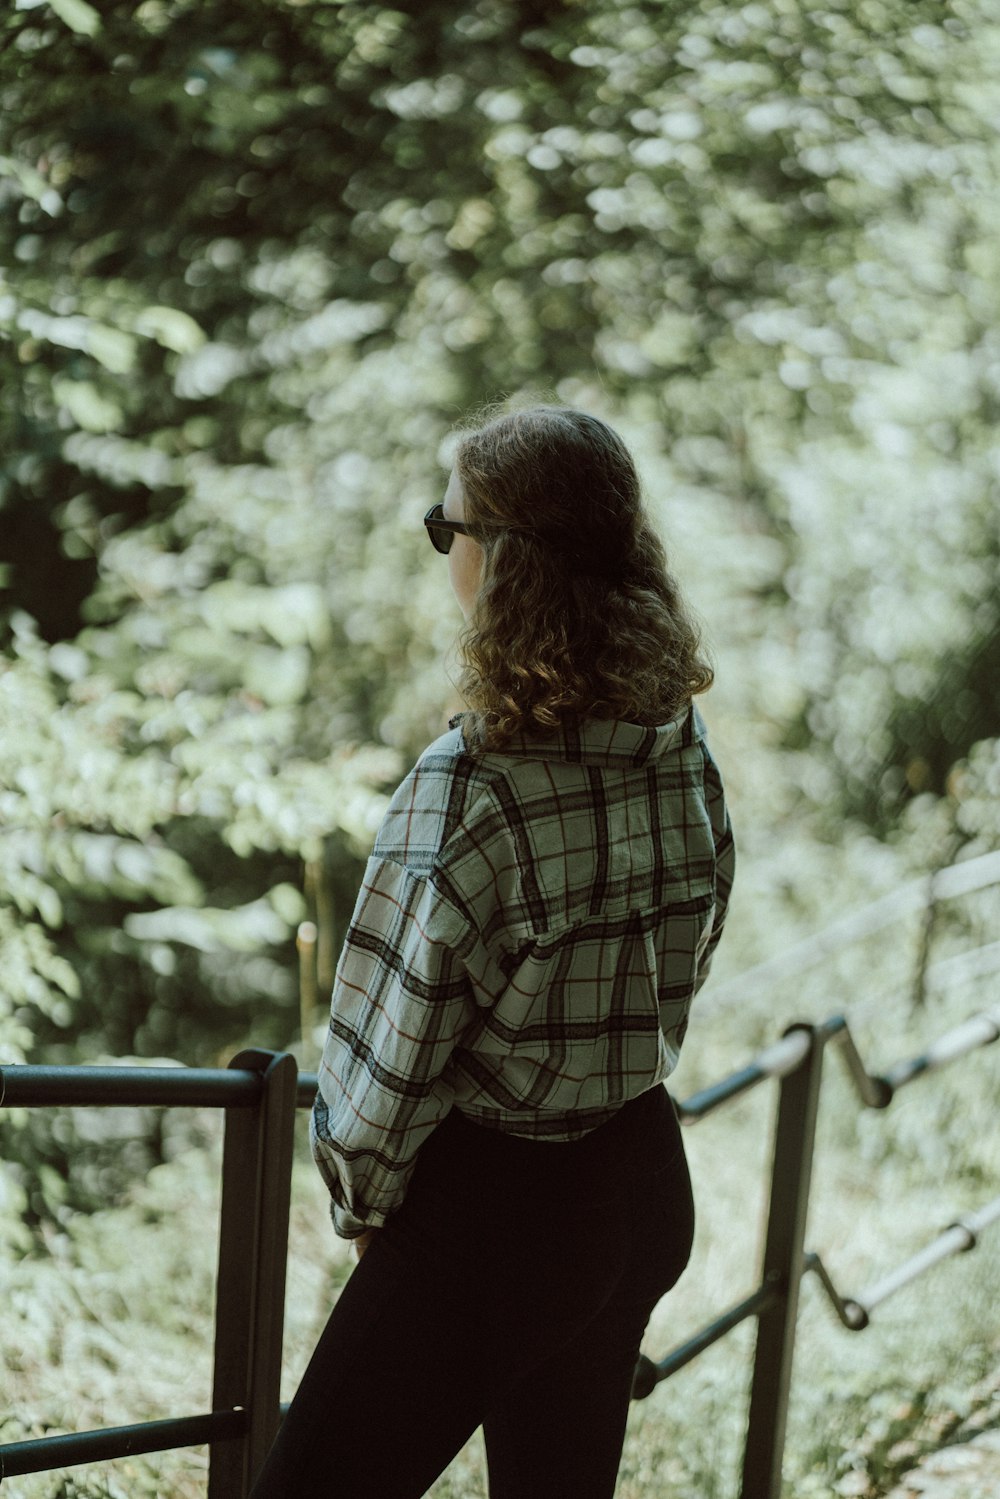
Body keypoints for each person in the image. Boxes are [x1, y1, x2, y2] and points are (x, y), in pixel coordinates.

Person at [248, 402, 735, 1499]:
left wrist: (365, 1207)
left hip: (492, 1219)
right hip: (641, 1178)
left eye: (446, 527)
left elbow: (387, 1040)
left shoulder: (471, 785)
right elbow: (697, 931)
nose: (442, 549)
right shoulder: (672, 730)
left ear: (504, 562)